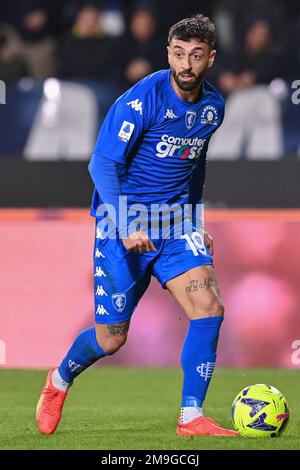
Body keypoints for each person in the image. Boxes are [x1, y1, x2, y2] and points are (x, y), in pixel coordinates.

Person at [36, 14, 239, 437]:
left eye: (196, 56)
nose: (186, 64)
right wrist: (127, 223)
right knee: (111, 338)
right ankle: (58, 382)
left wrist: (196, 220)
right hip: (121, 228)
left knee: (210, 308)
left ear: (211, 59)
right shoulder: (140, 99)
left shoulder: (212, 108)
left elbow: (193, 166)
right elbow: (102, 163)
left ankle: (191, 417)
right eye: (179, 54)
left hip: (175, 226)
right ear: (168, 54)